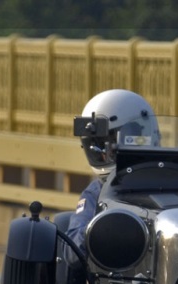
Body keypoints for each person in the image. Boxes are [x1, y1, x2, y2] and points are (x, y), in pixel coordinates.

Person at [64, 89, 157, 268]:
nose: (104, 155)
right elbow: (72, 253)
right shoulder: (96, 192)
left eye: (111, 144)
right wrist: (104, 227)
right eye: (97, 146)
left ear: (139, 136)